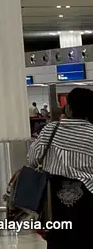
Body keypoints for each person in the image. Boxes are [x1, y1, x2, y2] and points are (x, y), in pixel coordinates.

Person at [26, 87, 93, 246]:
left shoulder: (51, 129)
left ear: (68, 107)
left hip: (53, 199)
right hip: (88, 199)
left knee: (57, 240)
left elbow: (33, 159)